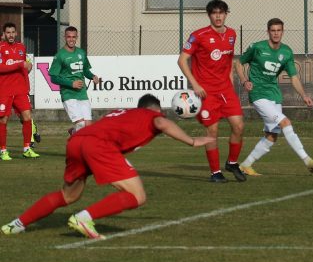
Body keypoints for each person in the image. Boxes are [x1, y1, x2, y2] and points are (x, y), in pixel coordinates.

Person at [1, 94, 214, 239]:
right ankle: (83, 219)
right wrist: (193, 141)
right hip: (98, 146)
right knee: (137, 195)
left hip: (78, 141)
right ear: (154, 109)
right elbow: (161, 124)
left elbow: (99, 125)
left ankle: (17, 224)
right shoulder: (152, 115)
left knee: (68, 196)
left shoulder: (120, 112)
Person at [234, 18, 313, 176]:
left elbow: (293, 77)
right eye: (273, 30)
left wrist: (304, 95)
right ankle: (308, 161)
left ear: (283, 31)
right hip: (258, 93)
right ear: (268, 32)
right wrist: (244, 80)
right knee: (285, 122)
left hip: (274, 95)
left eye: (279, 30)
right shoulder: (257, 47)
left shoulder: (286, 52)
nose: (276, 33)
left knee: (272, 136)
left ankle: (245, 165)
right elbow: (238, 63)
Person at [177, 0, 246, 183]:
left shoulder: (231, 34)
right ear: (209, 15)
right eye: (214, 13)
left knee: (239, 126)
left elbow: (229, 60)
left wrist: (230, 81)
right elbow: (182, 60)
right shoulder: (198, 35)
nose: (218, 16)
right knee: (212, 132)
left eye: (221, 12)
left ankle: (232, 162)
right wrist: (195, 85)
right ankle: (215, 173)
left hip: (225, 89)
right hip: (206, 92)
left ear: (226, 14)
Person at [49, 26, 100, 134]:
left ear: (77, 37)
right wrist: (71, 83)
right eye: (69, 37)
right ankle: (75, 139)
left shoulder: (81, 53)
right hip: (68, 94)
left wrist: (92, 76)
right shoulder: (60, 56)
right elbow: (53, 78)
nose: (71, 39)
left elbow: (85, 70)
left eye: (73, 37)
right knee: (80, 124)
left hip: (82, 93)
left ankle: (74, 134)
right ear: (65, 37)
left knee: (88, 127)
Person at [0, 22, 39, 160]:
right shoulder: (0, 47)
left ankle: (27, 148)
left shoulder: (21, 47)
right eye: (8, 32)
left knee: (27, 117)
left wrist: (29, 67)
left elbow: (26, 64)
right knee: (3, 120)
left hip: (20, 90)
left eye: (13, 32)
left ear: (16, 33)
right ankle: (3, 150)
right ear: (4, 34)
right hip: (4, 90)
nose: (11, 35)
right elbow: (1, 68)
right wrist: (19, 64)